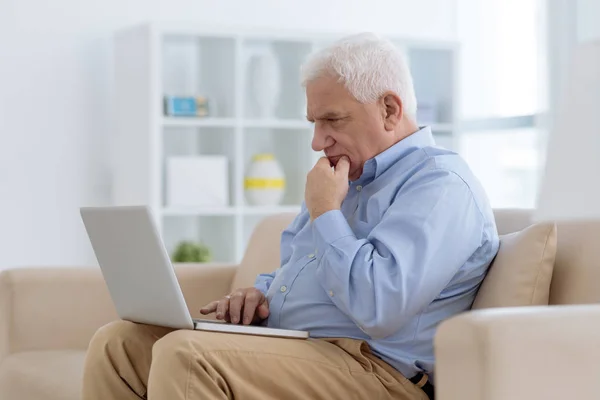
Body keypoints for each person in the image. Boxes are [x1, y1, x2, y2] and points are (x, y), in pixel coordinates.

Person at [82, 32, 499, 400]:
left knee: (187, 356)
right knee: (120, 344)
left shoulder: (441, 186)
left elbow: (380, 306)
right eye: (314, 123)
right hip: (298, 348)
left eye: (332, 120)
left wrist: (325, 212)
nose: (318, 141)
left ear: (390, 109)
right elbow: (297, 267)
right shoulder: (342, 178)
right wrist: (261, 296)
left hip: (380, 374)